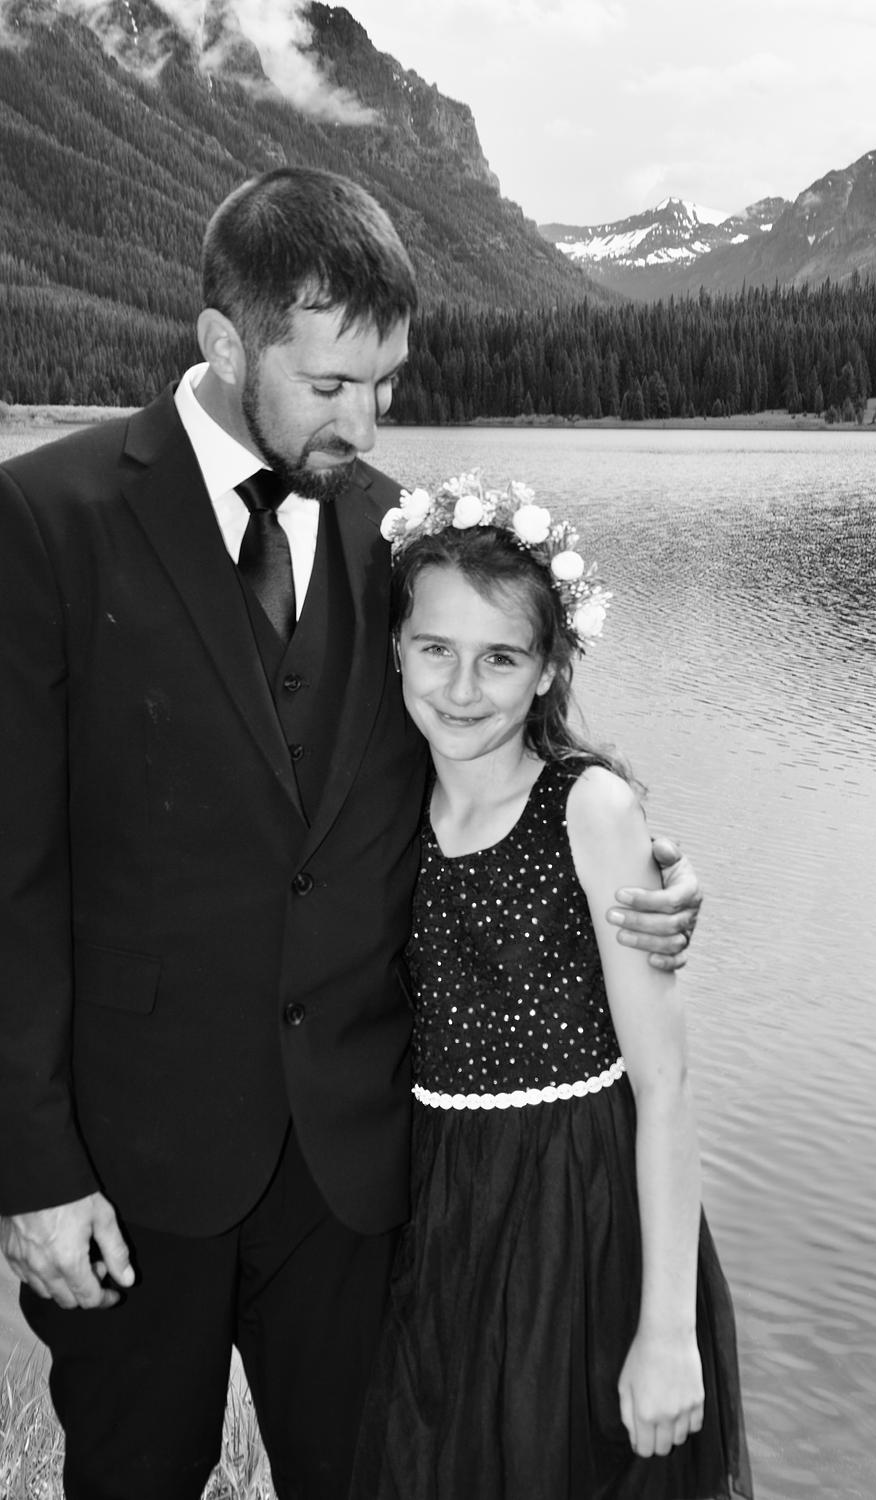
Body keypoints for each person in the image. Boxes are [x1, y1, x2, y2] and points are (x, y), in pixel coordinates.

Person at [0, 167, 701, 1500]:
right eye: (330, 385)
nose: (366, 422)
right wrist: (30, 1170)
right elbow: (9, 875)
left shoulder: (396, 534)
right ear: (225, 343)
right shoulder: (47, 519)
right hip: (133, 1172)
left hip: (360, 1173)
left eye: (385, 383)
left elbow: (488, 753)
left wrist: (634, 861)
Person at [351, 475, 753, 1499]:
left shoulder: (587, 809)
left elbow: (665, 1085)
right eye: (434, 649)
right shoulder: (387, 801)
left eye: (501, 658)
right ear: (395, 649)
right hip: (442, 1203)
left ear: (547, 671)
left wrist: (667, 1330)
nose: (461, 687)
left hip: (580, 1208)